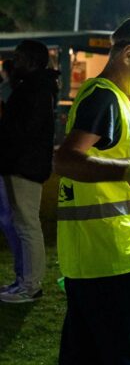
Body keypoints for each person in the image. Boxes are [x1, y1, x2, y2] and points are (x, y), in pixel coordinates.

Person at [54, 15, 130, 365]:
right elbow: (65, 161)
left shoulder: (116, 101)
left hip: (94, 262)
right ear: (128, 54)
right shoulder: (105, 98)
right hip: (116, 266)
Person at [0, 40, 59, 303]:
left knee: (27, 226)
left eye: (20, 58)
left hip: (25, 166)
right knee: (23, 225)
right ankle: (24, 281)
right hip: (23, 164)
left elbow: (24, 131)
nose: (15, 62)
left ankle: (31, 286)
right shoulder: (34, 86)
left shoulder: (35, 89)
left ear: (32, 61)